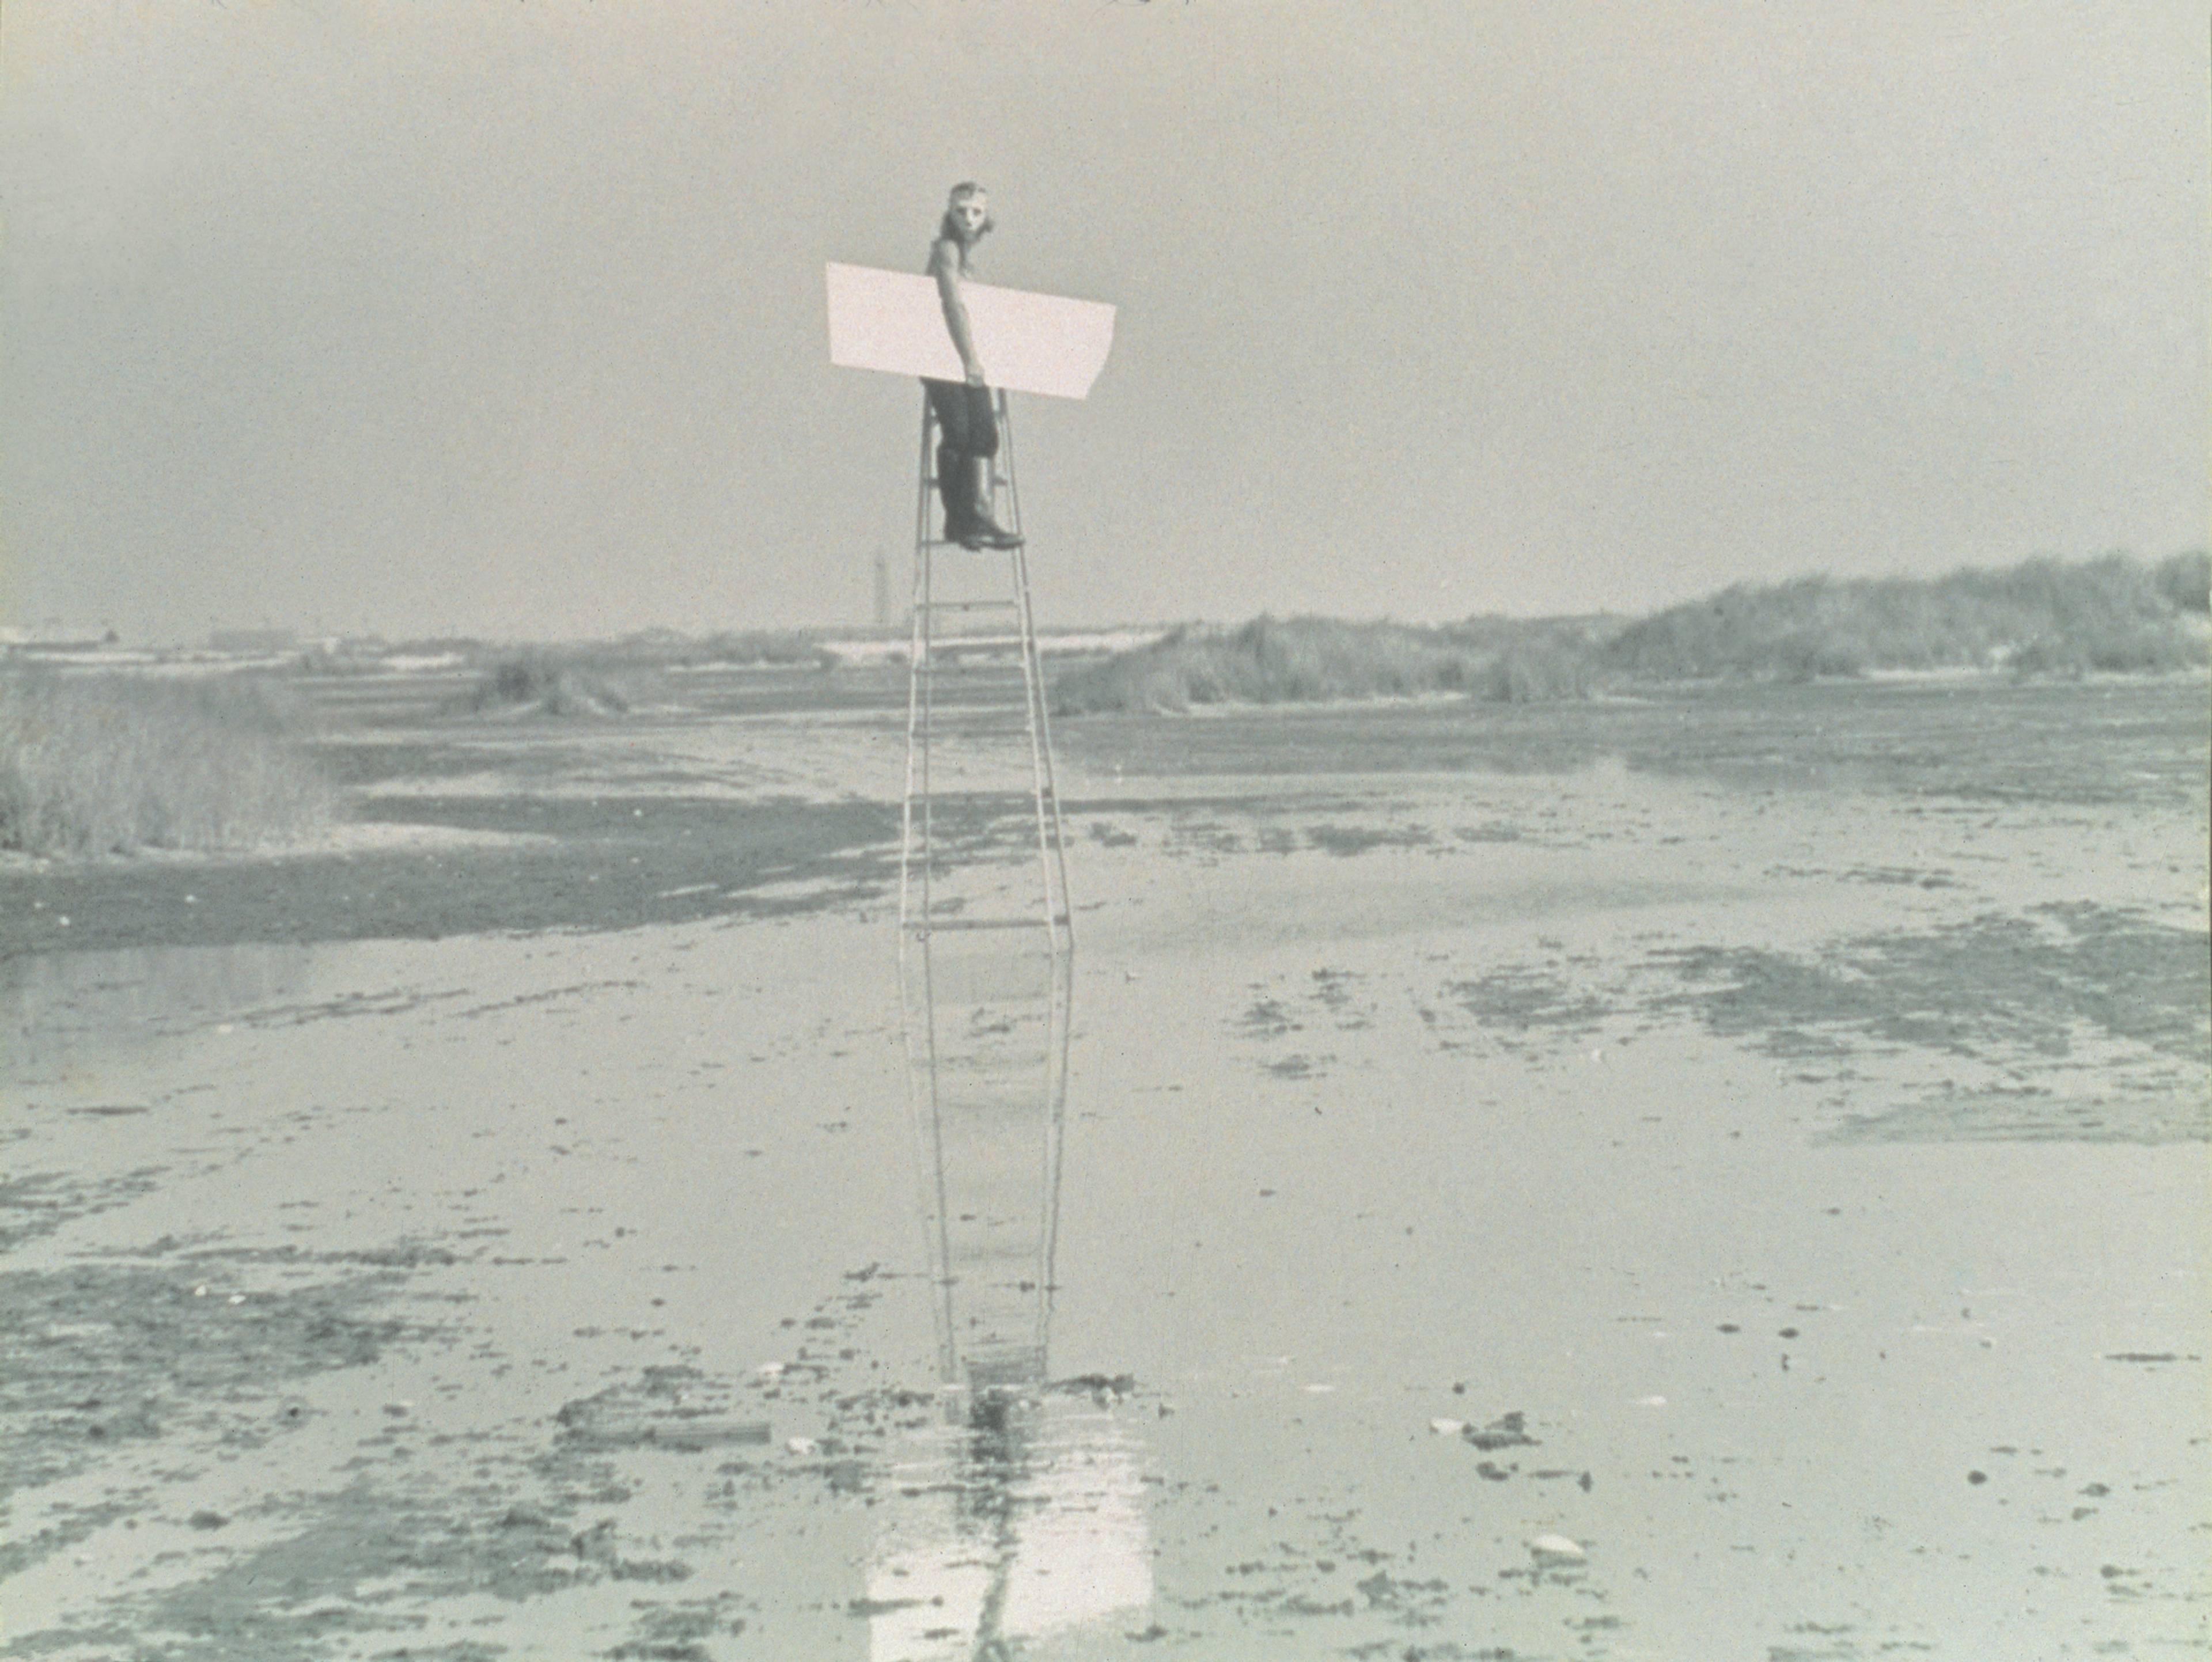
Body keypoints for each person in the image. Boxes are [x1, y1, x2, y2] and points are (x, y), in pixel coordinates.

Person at [923, 183, 1021, 549]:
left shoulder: (969, 253)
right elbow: (952, 305)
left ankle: (979, 517)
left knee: (984, 433)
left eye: (976, 212)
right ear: (950, 212)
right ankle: (960, 519)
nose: (968, 219)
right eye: (962, 211)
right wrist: (970, 360)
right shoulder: (946, 250)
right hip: (943, 354)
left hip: (969, 357)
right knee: (960, 431)